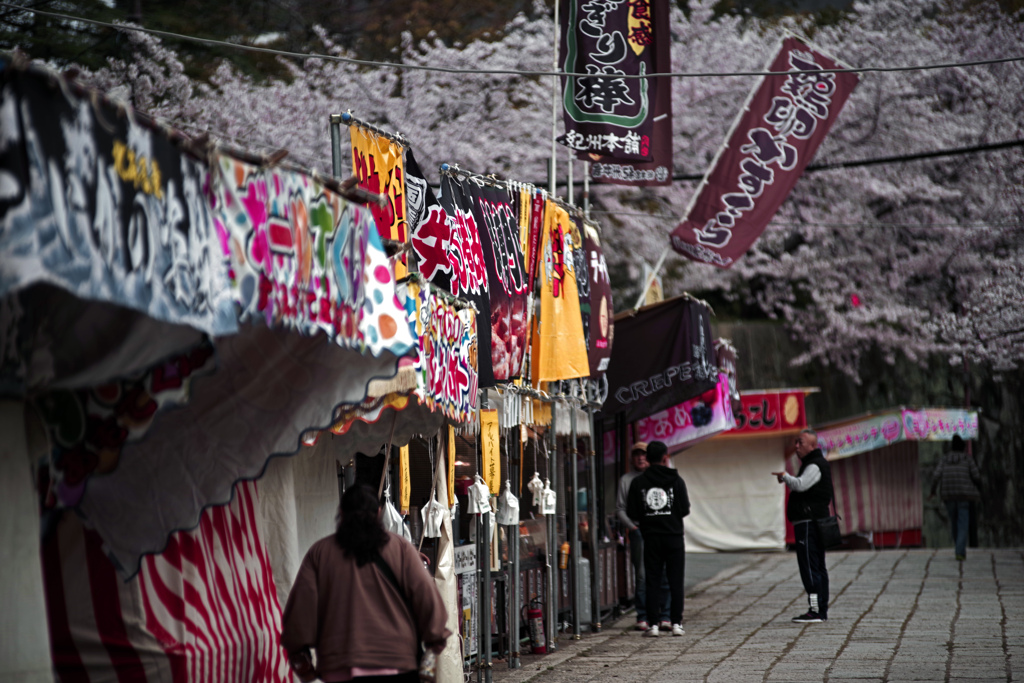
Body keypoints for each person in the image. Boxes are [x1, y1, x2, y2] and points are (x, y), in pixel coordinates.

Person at [281, 484, 450, 683]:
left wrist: (302, 661)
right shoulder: (401, 549)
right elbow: (428, 600)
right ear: (378, 513)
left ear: (342, 513)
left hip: (339, 667)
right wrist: (432, 651)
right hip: (397, 664)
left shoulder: (319, 553)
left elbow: (300, 613)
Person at [626, 440, 690, 638]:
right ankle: (676, 623)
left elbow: (632, 512)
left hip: (651, 537)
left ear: (648, 458)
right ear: (665, 458)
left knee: (652, 580)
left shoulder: (638, 483)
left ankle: (653, 624)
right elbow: (685, 509)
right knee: (675, 581)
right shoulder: (676, 480)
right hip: (673, 537)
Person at [773, 428, 834, 623]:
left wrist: (785, 476)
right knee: (817, 566)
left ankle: (815, 610)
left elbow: (800, 485)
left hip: (809, 524)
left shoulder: (815, 465)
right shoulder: (813, 463)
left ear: (812, 446)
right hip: (811, 522)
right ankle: (819, 609)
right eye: (796, 443)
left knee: (810, 567)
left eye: (800, 442)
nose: (796, 446)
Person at [615, 441, 670, 632]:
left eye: (644, 454)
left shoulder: (660, 477)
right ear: (631, 458)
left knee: (664, 572)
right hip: (639, 531)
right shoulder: (627, 480)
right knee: (641, 574)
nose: (640, 458)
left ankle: (665, 615)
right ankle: (643, 615)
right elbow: (620, 509)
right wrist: (633, 527)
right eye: (636, 454)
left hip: (660, 530)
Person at [930, 434, 981, 561]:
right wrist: (980, 490)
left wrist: (933, 491)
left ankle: (958, 546)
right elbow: (976, 477)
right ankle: (960, 550)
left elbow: (936, 476)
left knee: (954, 523)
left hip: (949, 495)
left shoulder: (945, 459)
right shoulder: (967, 459)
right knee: (963, 524)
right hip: (964, 495)